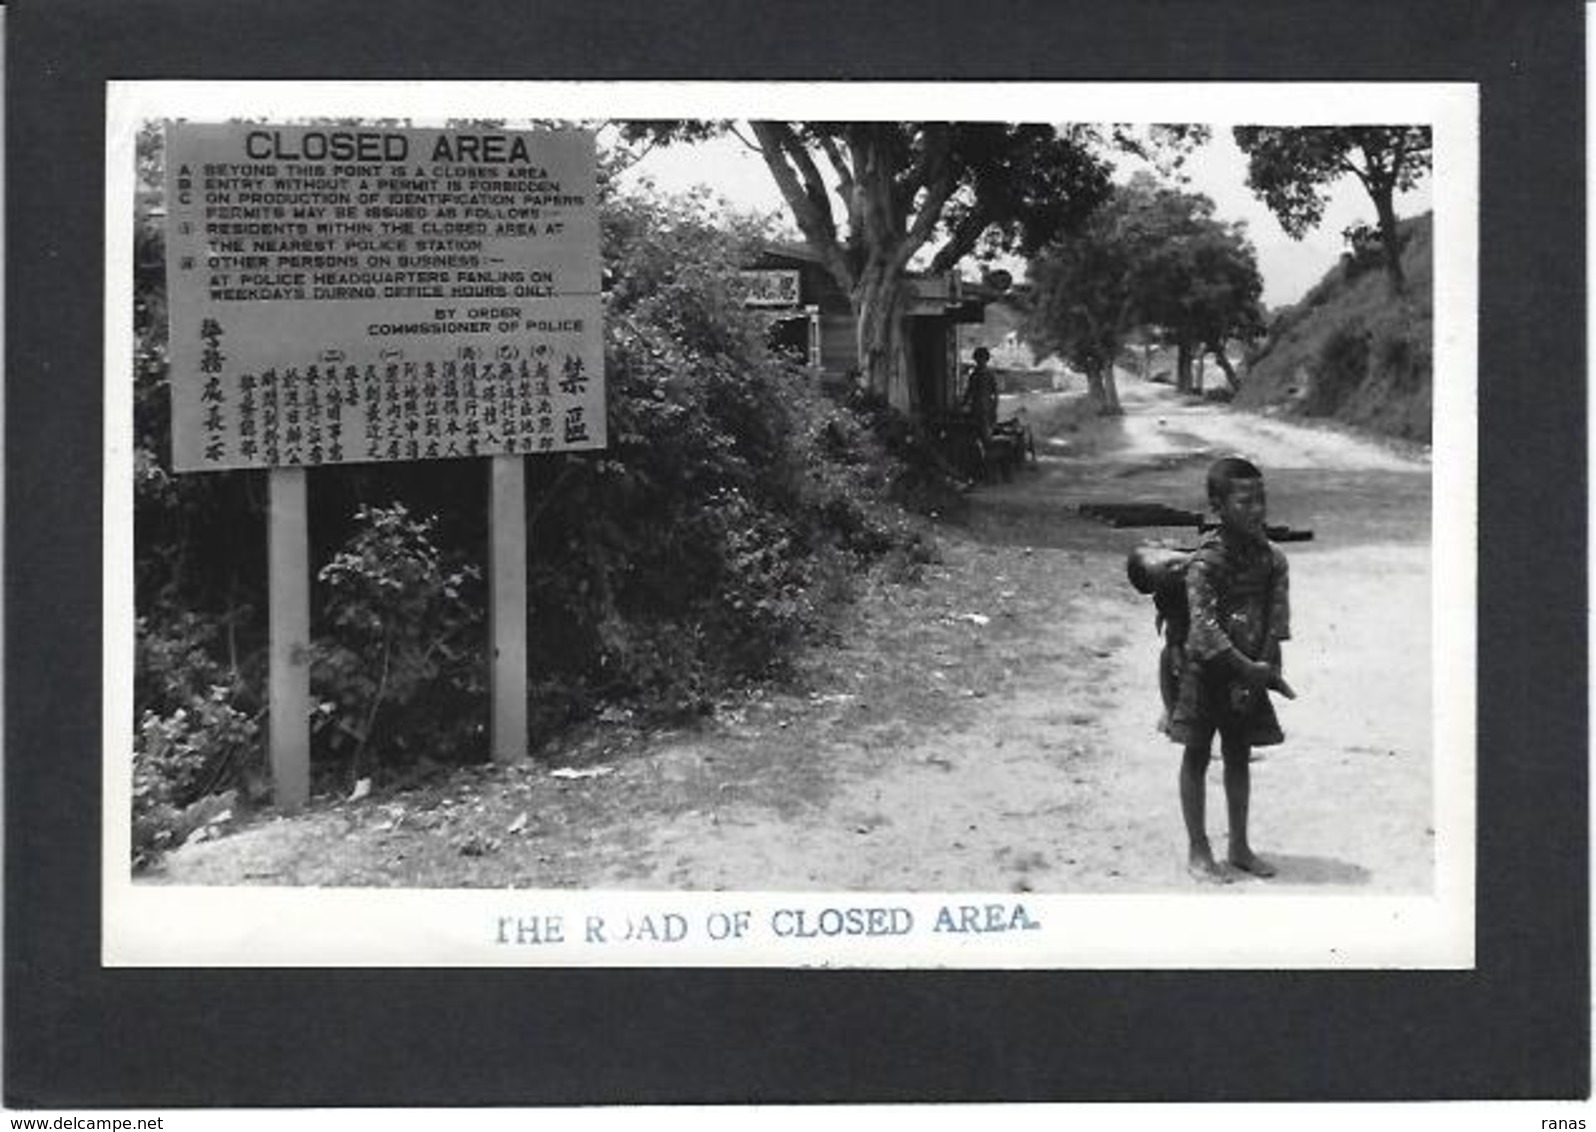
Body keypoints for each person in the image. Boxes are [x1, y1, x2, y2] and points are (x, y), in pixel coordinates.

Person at [1167, 456, 1294, 883]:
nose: (1257, 510)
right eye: (1245, 502)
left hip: (1248, 673)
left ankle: (1239, 845)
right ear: (1218, 507)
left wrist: (1266, 666)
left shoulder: (1272, 560)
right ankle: (1198, 849)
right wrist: (1248, 669)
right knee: (1197, 753)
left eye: (1261, 500)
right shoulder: (1205, 564)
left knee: (1238, 754)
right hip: (1206, 673)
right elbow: (1203, 631)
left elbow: (1276, 621)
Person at [963, 346, 998, 442]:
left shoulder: (989, 374)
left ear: (986, 359)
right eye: (978, 358)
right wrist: (963, 404)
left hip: (986, 409)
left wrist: (994, 409)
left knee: (986, 435)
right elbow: (969, 391)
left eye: (982, 358)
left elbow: (995, 393)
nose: (979, 361)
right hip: (976, 408)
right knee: (975, 434)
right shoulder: (974, 375)